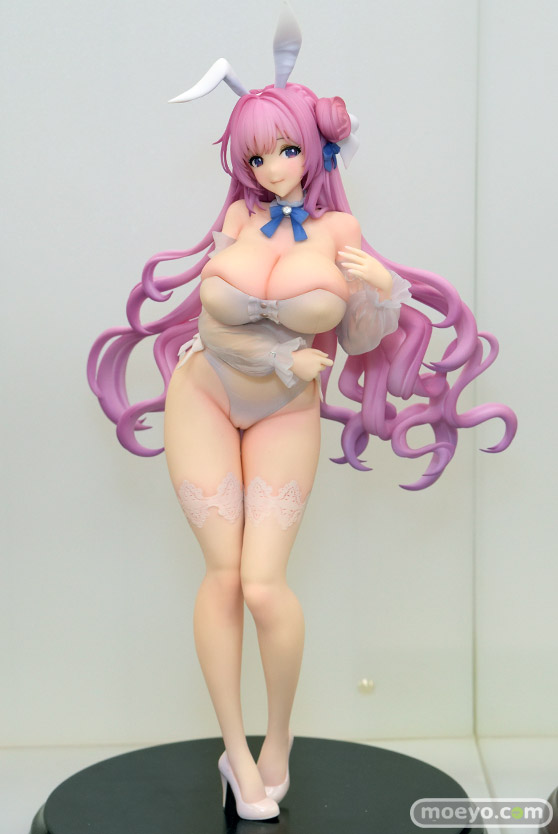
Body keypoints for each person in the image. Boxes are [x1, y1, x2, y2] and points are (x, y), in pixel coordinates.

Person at [87, 2, 516, 821]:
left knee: (263, 585)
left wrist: (384, 290)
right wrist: (283, 356)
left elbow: (357, 336)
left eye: (286, 149)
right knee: (222, 577)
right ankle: (235, 751)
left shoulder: (339, 228)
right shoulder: (237, 219)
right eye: (258, 154)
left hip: (286, 412)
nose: (274, 166)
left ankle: (277, 737)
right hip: (206, 394)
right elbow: (216, 325)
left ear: (316, 147)